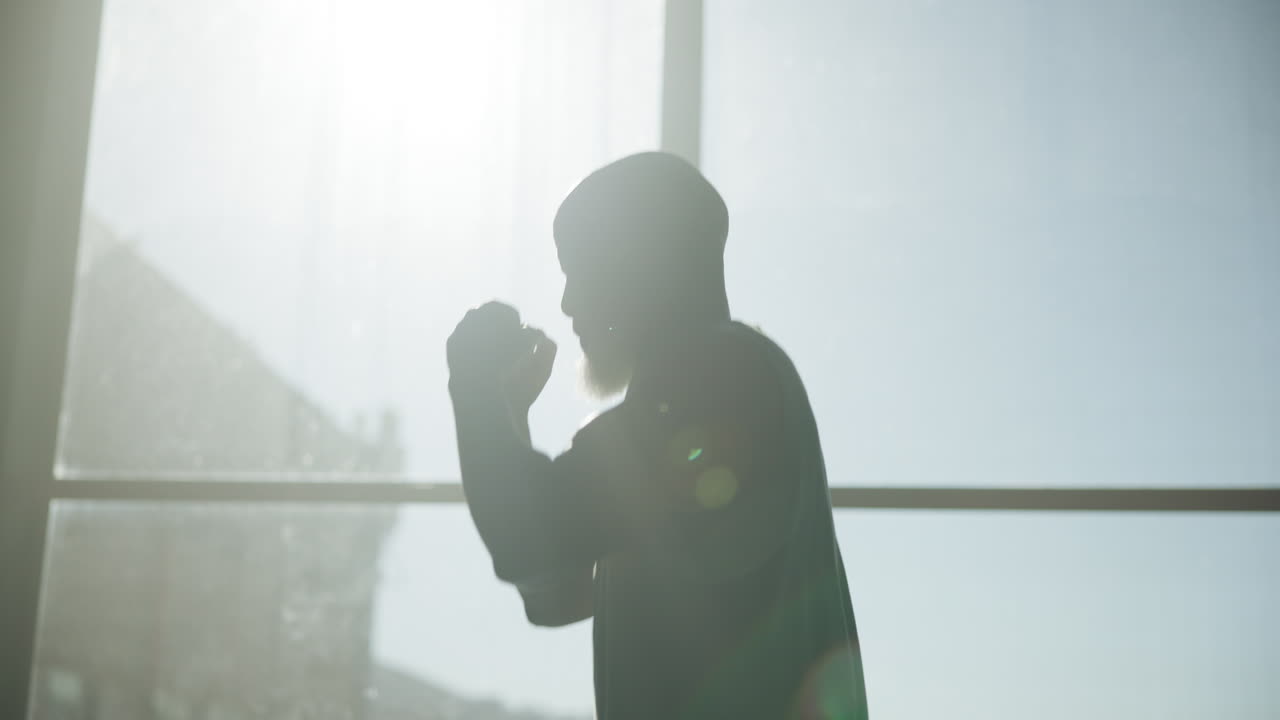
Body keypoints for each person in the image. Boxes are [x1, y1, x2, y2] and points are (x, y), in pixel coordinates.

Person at [447, 152, 868, 719]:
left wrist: (473, 383)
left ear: (640, 266)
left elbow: (530, 541)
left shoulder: (720, 376)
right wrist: (509, 414)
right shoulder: (726, 382)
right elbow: (553, 592)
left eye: (580, 269)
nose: (568, 302)